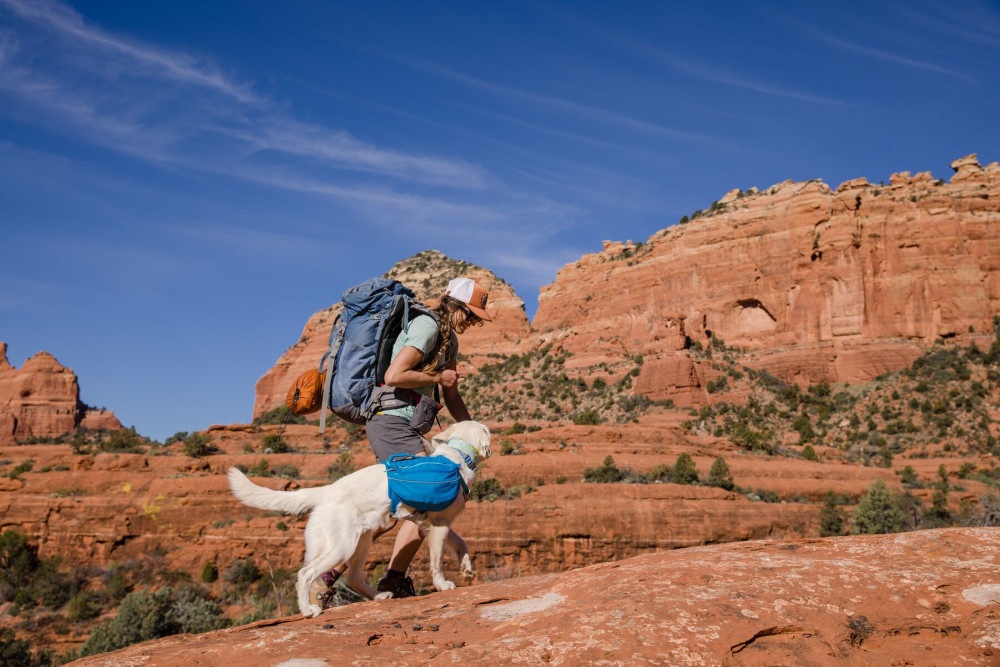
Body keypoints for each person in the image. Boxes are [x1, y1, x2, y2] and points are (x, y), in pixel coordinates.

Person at [311, 276, 491, 604]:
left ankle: (365, 577)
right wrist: (437, 376)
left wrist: (474, 433)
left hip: (408, 426)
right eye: (475, 315)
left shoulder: (449, 341)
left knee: (399, 507)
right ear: (460, 309)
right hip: (390, 422)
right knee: (417, 500)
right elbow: (395, 375)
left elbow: (451, 395)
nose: (476, 322)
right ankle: (366, 577)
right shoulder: (427, 327)